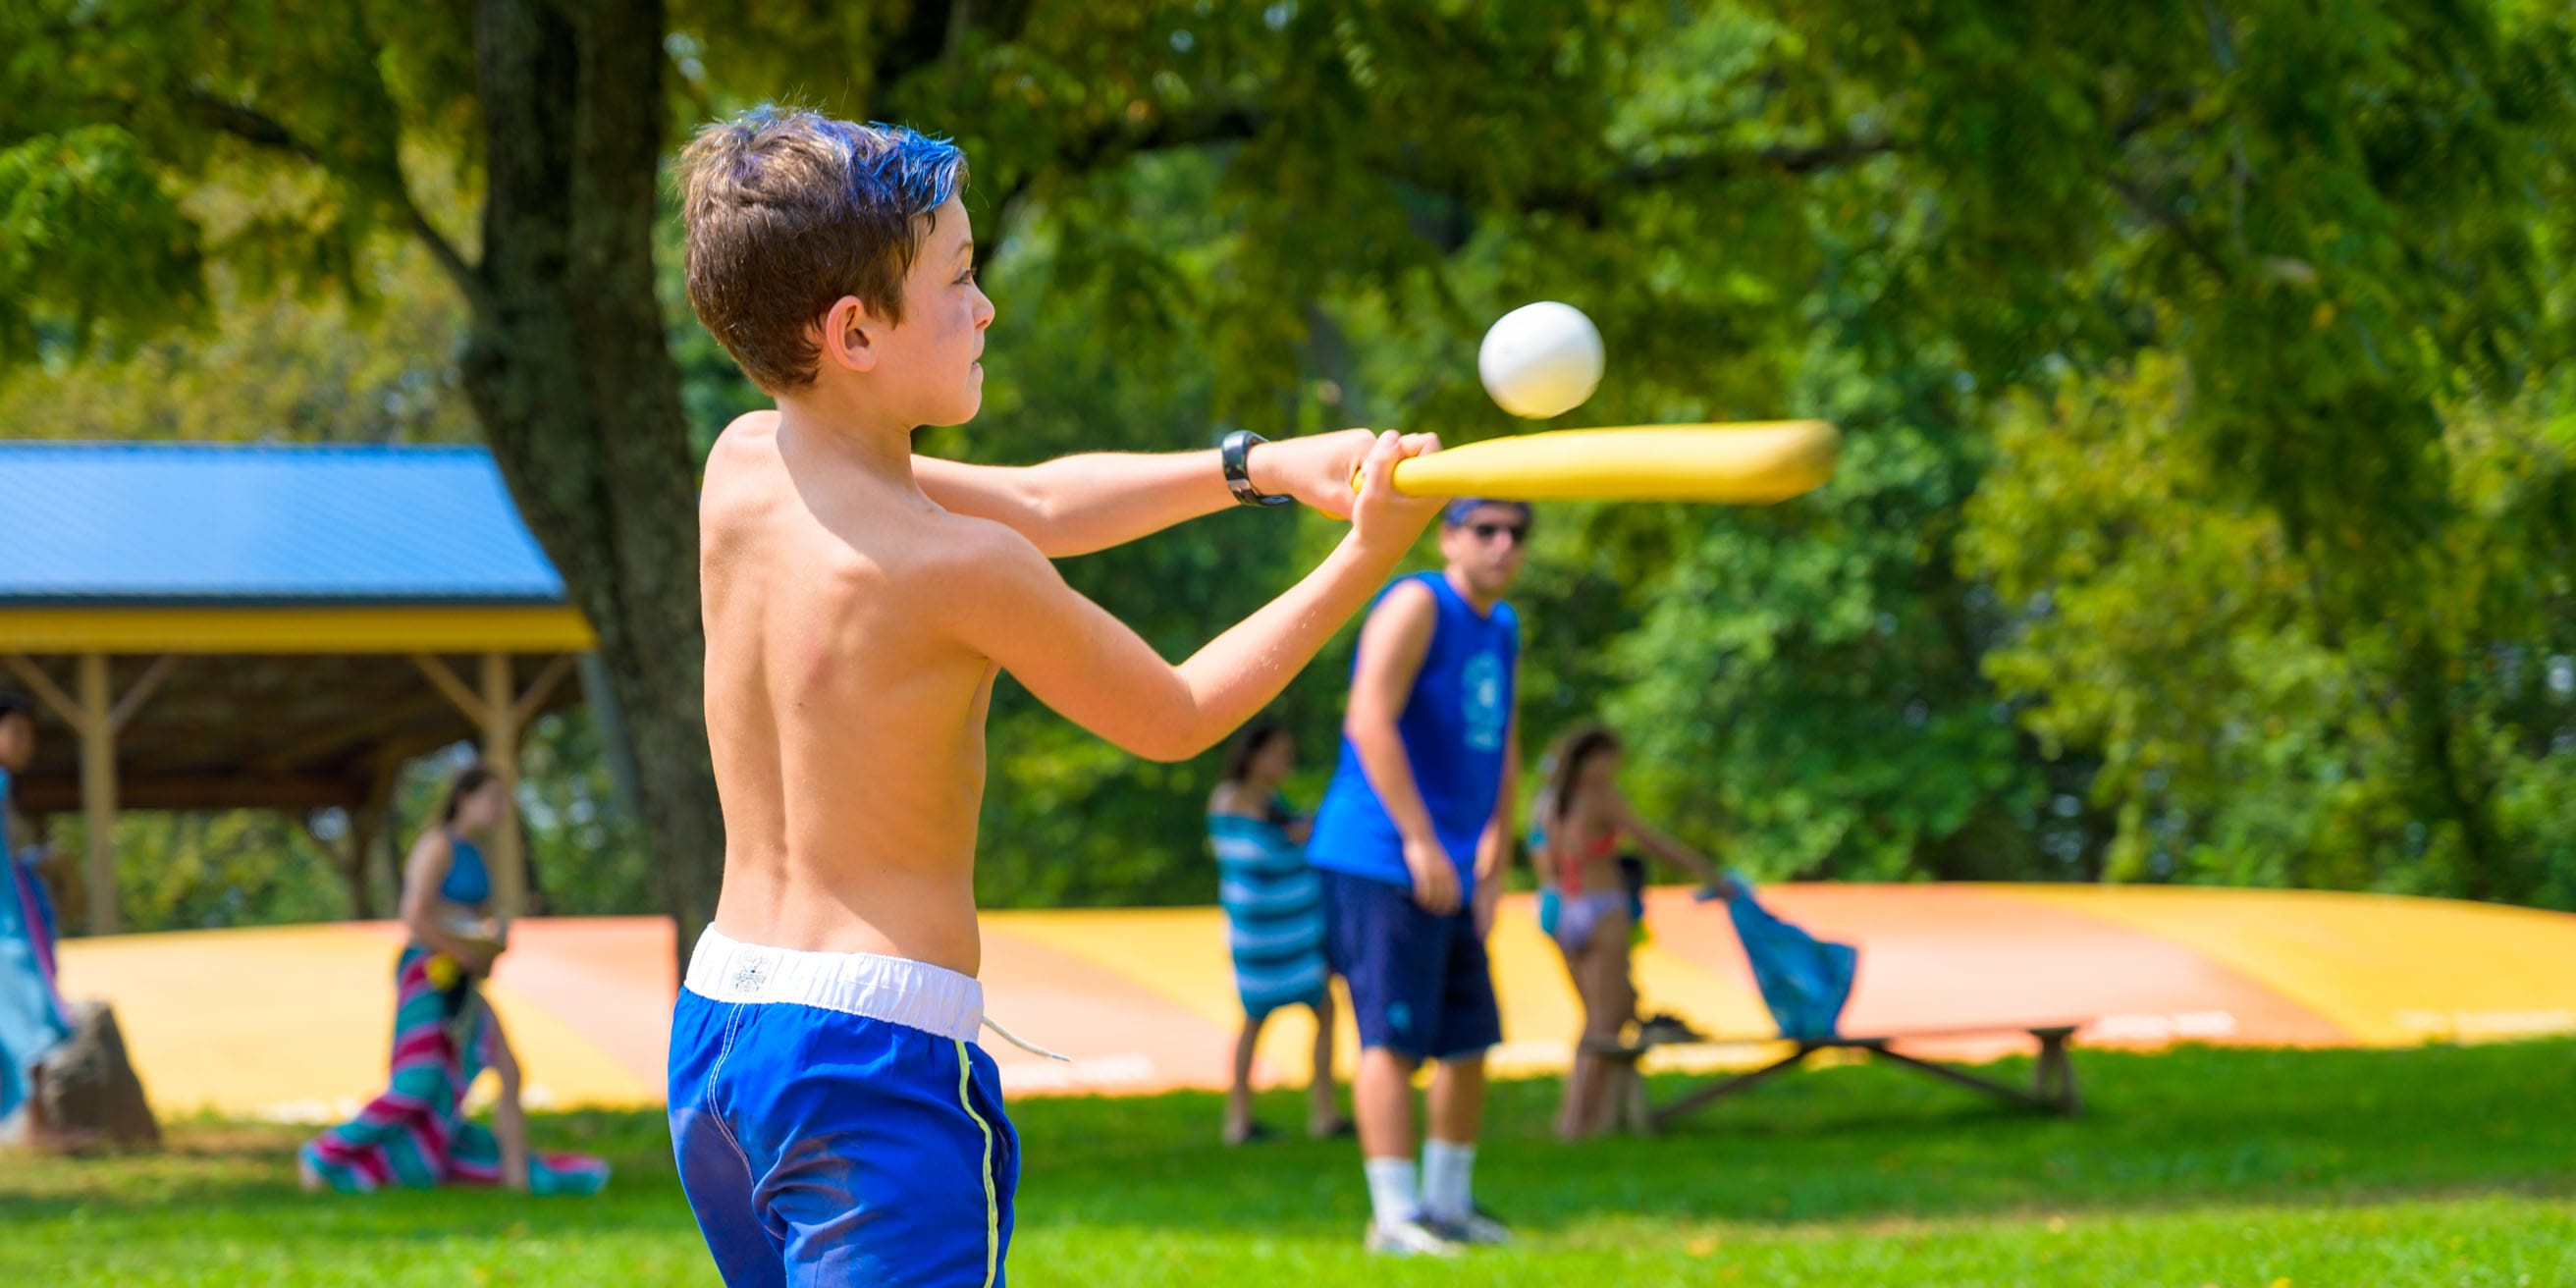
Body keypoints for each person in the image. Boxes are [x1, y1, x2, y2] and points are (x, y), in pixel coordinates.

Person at [668, 107, 1442, 1288]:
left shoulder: (742, 464)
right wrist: (1362, 558)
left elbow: (1032, 498)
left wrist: (1259, 468)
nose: (983, 308)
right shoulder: (952, 570)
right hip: (870, 1053)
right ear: (853, 331)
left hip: (720, 1028)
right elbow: (1175, 713)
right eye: (961, 279)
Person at [1307, 497, 1531, 1256]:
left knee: (1469, 1041)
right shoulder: (1416, 601)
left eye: (1517, 533)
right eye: (1486, 529)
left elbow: (1504, 744)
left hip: (1455, 864)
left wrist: (1495, 851)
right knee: (1391, 1039)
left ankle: (1447, 1204)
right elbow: (1367, 720)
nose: (1503, 545)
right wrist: (1420, 841)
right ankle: (1394, 1217)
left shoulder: (1502, 627)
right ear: (1449, 536)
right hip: (1380, 855)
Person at [299, 766, 608, 1195]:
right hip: (427, 972)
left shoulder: (474, 853)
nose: (501, 809)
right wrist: (460, 948)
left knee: (509, 1069)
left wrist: (487, 943)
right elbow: (414, 915)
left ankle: (517, 1179)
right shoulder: (437, 845)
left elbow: (471, 917)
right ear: (464, 797)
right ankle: (324, 1154)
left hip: (463, 977)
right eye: (493, 798)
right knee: (418, 1081)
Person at [1534, 724, 1731, 1141]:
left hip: (1561, 911)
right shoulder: (1602, 800)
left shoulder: (1549, 804)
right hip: (1602, 906)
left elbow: (1542, 861)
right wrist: (1708, 871)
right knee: (1605, 1023)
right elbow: (1653, 842)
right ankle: (1575, 1124)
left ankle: (1593, 1118)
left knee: (1601, 1017)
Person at [1206, 718, 1349, 1146]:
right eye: (1278, 754)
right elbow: (1257, 855)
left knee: (1321, 1011)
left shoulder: (1272, 804)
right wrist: (1296, 837)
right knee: (1255, 1020)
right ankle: (1240, 1117)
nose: (1285, 762)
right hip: (1259, 936)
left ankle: (1323, 1112)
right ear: (1254, 755)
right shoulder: (1233, 802)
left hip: (1291, 935)